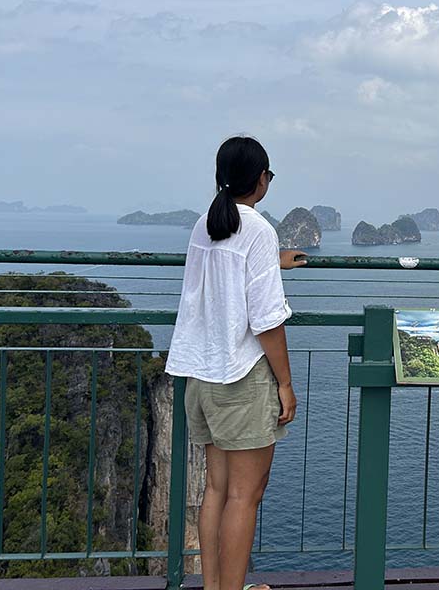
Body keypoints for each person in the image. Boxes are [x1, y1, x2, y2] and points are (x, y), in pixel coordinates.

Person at [165, 135, 307, 590]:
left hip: (200, 376)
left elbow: (223, 273)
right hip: (240, 379)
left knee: (218, 492)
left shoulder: (204, 224)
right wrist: (285, 385)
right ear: (262, 179)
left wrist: (273, 262)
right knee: (246, 496)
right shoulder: (260, 230)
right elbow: (266, 319)